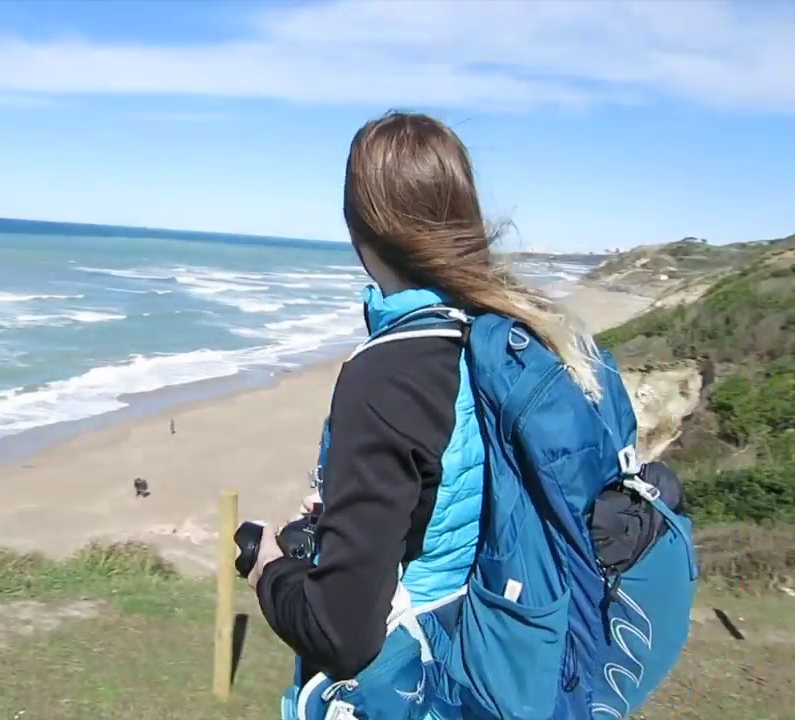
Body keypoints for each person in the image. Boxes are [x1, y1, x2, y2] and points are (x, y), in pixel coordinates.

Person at [244, 110, 669, 719]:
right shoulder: (520, 337)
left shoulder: (390, 374)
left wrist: (270, 571)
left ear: (359, 226)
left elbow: (343, 632)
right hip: (505, 651)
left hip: (428, 680)